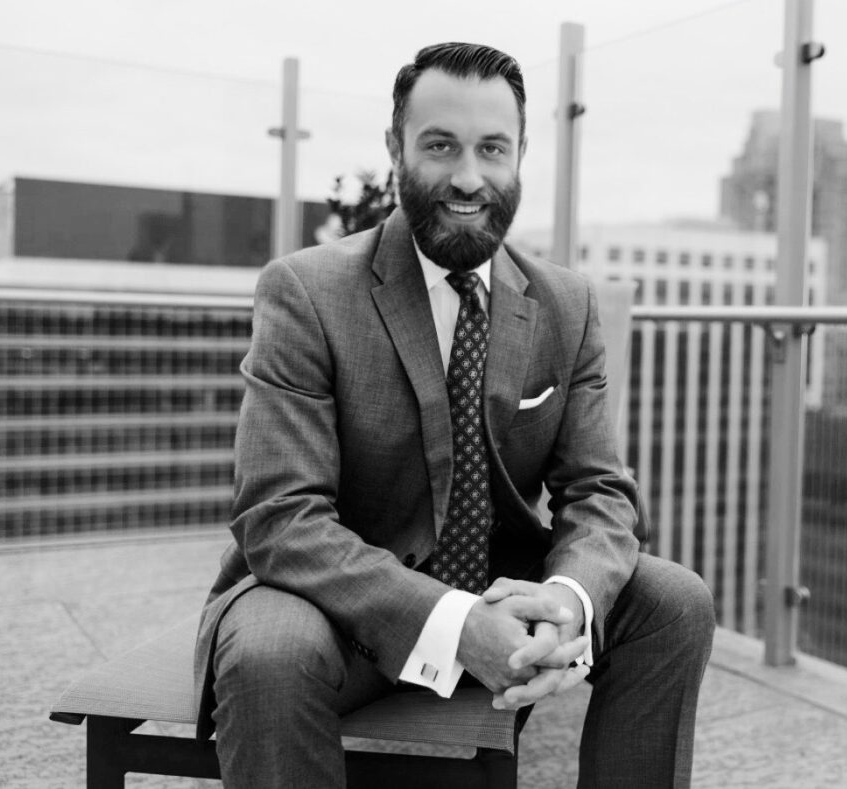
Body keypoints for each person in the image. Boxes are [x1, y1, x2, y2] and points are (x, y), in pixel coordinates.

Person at [193, 41, 715, 788]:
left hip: (505, 588)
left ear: (521, 154)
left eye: (492, 149)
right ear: (396, 147)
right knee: (268, 651)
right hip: (337, 604)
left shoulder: (566, 305)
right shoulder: (306, 292)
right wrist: (452, 623)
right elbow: (280, 515)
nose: (469, 178)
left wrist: (564, 600)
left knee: (675, 602)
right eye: (440, 146)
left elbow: (600, 492)